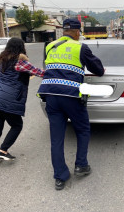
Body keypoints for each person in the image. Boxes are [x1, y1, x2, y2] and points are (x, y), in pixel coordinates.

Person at [37, 19, 104, 190]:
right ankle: (81, 165)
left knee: (56, 137)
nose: (79, 35)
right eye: (79, 32)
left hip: (51, 95)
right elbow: (98, 69)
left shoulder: (50, 46)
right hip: (71, 95)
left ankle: (60, 177)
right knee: (82, 129)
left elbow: (50, 67)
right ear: (76, 32)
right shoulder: (80, 47)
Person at [0, 37, 44, 169]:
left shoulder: (2, 60)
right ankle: (3, 151)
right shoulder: (20, 61)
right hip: (9, 100)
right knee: (17, 125)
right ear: (21, 47)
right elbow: (40, 72)